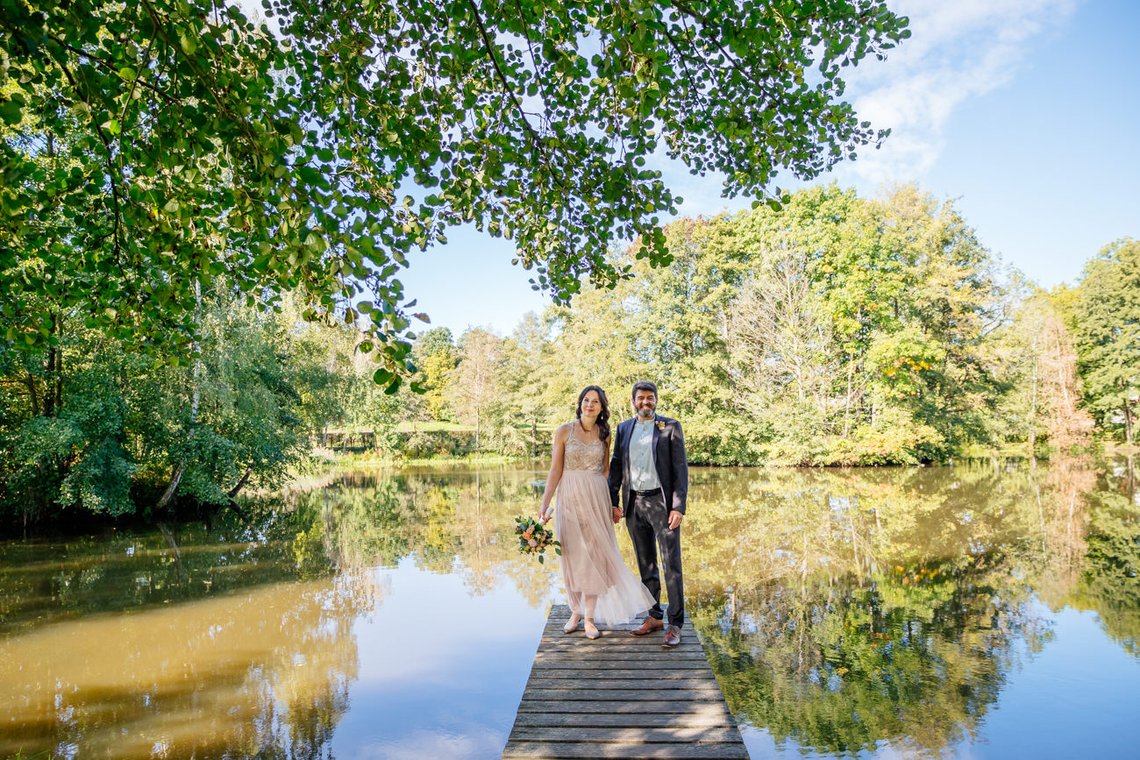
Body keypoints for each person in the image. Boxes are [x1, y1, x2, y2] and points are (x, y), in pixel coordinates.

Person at [540, 385, 655, 640]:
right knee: (571, 556)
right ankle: (575, 612)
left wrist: (610, 503)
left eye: (595, 402)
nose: (589, 405)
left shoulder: (605, 434)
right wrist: (544, 505)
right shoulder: (563, 431)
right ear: (580, 403)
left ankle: (590, 618)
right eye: (586, 400)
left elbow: (606, 471)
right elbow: (554, 471)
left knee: (594, 555)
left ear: (602, 408)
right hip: (569, 496)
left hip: (596, 496)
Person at [608, 380, 688, 648]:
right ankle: (654, 616)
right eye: (640, 398)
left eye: (650, 398)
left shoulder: (670, 427)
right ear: (633, 401)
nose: (645, 402)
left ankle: (675, 624)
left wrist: (678, 506)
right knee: (647, 565)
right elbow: (617, 465)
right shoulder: (623, 429)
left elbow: (680, 469)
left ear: (656, 400)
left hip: (662, 504)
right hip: (634, 505)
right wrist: (613, 501)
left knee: (671, 565)